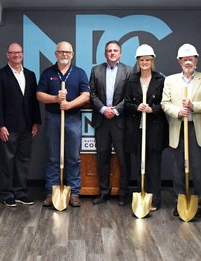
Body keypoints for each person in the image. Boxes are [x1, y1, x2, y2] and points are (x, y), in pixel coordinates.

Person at [161, 43, 201, 219]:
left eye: (191, 59)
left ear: (196, 60)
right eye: (184, 59)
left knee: (199, 169)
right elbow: (165, 103)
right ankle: (181, 201)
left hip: (197, 129)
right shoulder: (170, 80)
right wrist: (177, 112)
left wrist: (193, 106)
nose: (188, 62)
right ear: (179, 61)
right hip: (178, 127)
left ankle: (199, 203)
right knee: (178, 168)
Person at [36, 41, 90, 208]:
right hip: (53, 117)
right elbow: (39, 95)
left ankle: (74, 193)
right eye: (61, 52)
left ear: (72, 54)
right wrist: (55, 99)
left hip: (73, 118)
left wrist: (69, 104)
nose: (64, 54)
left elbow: (86, 95)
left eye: (67, 52)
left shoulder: (79, 73)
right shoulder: (47, 73)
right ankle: (51, 192)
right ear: (56, 54)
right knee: (52, 157)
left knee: (73, 157)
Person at [0, 42, 40, 207]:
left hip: (27, 126)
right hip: (8, 126)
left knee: (23, 160)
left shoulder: (31, 75)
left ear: (23, 54)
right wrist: (0, 125)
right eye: (13, 53)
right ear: (7, 55)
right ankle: (7, 193)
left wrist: (36, 122)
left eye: (19, 52)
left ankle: (20, 192)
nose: (16, 55)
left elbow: (34, 101)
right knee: (7, 160)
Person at [89, 40, 132, 206]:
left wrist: (114, 110)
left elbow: (129, 96)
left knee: (123, 159)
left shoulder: (128, 71)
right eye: (109, 50)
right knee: (102, 159)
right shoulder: (96, 70)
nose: (112, 53)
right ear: (105, 53)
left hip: (119, 121)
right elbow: (91, 93)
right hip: (101, 121)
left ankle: (123, 194)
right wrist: (103, 109)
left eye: (115, 50)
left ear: (120, 53)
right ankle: (104, 192)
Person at [123, 44, 166, 211]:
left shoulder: (160, 80)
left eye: (148, 60)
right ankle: (142, 193)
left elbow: (165, 104)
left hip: (154, 129)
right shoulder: (131, 79)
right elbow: (126, 103)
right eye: (142, 60)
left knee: (154, 165)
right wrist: (136, 108)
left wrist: (152, 109)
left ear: (152, 61)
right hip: (137, 128)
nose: (145, 63)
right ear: (138, 61)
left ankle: (154, 199)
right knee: (141, 163)